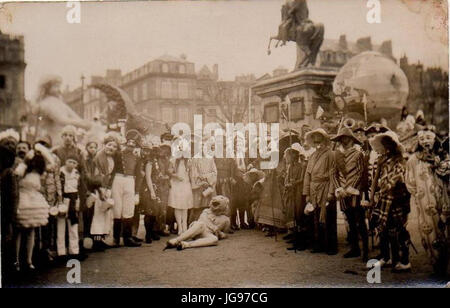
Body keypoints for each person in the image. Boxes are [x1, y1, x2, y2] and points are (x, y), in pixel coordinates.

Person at [405, 127, 449, 276]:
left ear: (434, 139)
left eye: (429, 138)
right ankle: (437, 265)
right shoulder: (413, 160)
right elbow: (409, 181)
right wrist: (418, 194)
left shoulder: (443, 157)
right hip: (424, 204)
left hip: (443, 201)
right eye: (422, 139)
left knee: (445, 231)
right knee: (429, 233)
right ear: (418, 141)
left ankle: (446, 263)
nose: (426, 142)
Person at [369, 131, 412, 272]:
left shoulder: (400, 161)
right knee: (384, 229)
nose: (377, 149)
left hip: (397, 200)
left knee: (398, 230)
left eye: (380, 146)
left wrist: (380, 187)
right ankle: (386, 257)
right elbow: (376, 181)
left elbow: (390, 182)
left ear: (388, 147)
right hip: (385, 200)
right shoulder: (381, 161)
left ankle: (404, 261)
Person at [331, 127, 368, 260]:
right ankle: (355, 249)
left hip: (355, 192)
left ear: (352, 140)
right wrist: (339, 189)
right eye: (342, 138)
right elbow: (333, 174)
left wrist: (350, 188)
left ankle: (365, 251)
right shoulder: (336, 154)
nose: (343, 141)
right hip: (342, 193)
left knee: (360, 221)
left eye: (346, 138)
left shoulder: (359, 154)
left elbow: (360, 173)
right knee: (350, 221)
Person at [14, 143, 52, 271]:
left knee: (31, 231)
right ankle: (16, 261)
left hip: (33, 200)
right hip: (21, 199)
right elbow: (17, 175)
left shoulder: (36, 167)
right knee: (18, 232)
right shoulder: (17, 164)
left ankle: (29, 260)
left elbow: (51, 166)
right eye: (19, 148)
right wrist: (24, 162)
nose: (21, 150)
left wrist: (41, 151)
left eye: (24, 148)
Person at [303, 128, 336, 254]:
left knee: (328, 216)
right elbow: (307, 175)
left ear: (324, 141)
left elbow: (333, 174)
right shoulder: (312, 156)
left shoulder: (330, 154)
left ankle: (331, 246)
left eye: (320, 140)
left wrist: (331, 192)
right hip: (313, 188)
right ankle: (319, 244)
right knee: (315, 217)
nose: (318, 144)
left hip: (326, 186)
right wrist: (306, 193)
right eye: (315, 141)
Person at [32, 75, 91, 145]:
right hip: (50, 139)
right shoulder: (45, 103)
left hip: (63, 138)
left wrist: (87, 123)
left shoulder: (59, 102)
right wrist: (85, 124)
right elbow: (62, 120)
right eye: (56, 86)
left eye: (59, 86)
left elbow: (74, 116)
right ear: (47, 87)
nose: (59, 89)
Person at [111, 129, 143, 247]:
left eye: (134, 142)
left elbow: (139, 175)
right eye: (129, 141)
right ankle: (116, 239)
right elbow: (111, 169)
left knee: (129, 209)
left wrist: (137, 192)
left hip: (130, 180)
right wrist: (108, 187)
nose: (131, 144)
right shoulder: (118, 153)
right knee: (117, 209)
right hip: (117, 180)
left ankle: (127, 238)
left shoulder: (137, 156)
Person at [165, 195, 230, 250]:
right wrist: (214, 228)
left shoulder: (225, 219)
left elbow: (225, 233)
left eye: (216, 204)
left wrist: (221, 234)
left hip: (207, 234)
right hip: (197, 229)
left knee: (214, 239)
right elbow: (203, 220)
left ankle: (186, 245)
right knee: (200, 224)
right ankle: (176, 240)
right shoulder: (206, 211)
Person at [36, 135, 62, 263]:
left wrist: (60, 194)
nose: (44, 147)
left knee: (50, 222)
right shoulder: (34, 158)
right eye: (41, 144)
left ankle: (47, 250)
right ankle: (36, 250)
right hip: (38, 192)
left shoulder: (55, 159)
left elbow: (57, 177)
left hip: (51, 194)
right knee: (37, 223)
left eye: (46, 144)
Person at [93, 132, 120, 247]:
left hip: (107, 186)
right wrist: (101, 188)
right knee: (98, 213)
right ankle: (96, 240)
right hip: (99, 187)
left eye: (114, 146)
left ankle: (102, 238)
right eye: (109, 145)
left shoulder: (111, 158)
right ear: (104, 144)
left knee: (105, 213)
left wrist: (108, 187)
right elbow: (96, 174)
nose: (111, 148)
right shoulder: (99, 156)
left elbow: (111, 174)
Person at [57, 155, 83, 259]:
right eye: (69, 161)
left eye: (74, 162)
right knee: (61, 226)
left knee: (73, 226)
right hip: (62, 199)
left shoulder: (76, 173)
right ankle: (61, 252)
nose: (71, 164)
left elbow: (79, 188)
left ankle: (74, 251)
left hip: (73, 199)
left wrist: (77, 201)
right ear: (65, 161)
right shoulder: (60, 172)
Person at [138, 140, 163, 243]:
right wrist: (152, 191)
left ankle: (152, 232)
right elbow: (148, 177)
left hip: (156, 187)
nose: (156, 153)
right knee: (149, 211)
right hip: (148, 188)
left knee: (155, 211)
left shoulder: (156, 161)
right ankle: (148, 234)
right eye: (155, 151)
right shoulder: (149, 161)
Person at [283, 143, 307, 251]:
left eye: (290, 155)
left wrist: (293, 183)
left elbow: (302, 179)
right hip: (290, 191)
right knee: (291, 213)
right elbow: (287, 178)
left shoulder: (301, 166)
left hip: (298, 191)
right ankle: (294, 237)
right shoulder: (289, 167)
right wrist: (287, 183)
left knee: (298, 214)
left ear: (295, 156)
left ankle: (301, 241)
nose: (288, 157)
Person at [168, 138, 193, 235]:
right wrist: (176, 176)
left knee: (185, 206)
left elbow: (191, 173)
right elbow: (169, 171)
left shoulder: (189, 161)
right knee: (177, 206)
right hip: (176, 184)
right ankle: (180, 227)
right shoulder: (173, 159)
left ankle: (185, 226)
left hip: (186, 184)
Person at [189, 155, 217, 224]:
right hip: (198, 186)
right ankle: (195, 225)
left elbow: (214, 172)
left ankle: (208, 225)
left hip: (209, 185)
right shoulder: (194, 159)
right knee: (197, 207)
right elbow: (193, 173)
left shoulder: (210, 159)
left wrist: (207, 180)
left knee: (209, 206)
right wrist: (201, 182)